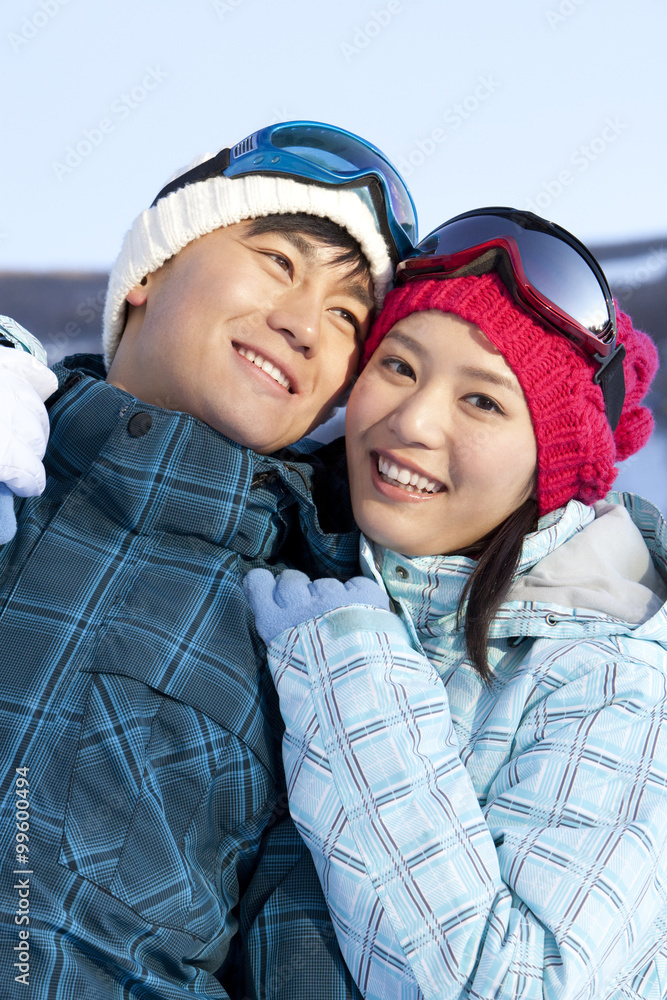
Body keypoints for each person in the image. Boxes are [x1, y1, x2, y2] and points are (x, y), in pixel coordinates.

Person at [0, 121, 417, 1000]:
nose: (304, 323)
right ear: (150, 273)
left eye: (346, 316)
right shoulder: (11, 466)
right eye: (277, 261)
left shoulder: (316, 636)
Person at [245, 208, 667, 1000]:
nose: (410, 422)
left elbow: (517, 987)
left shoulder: (611, 680)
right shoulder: (305, 539)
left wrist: (353, 694)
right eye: (398, 367)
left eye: (482, 403)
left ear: (551, 464)